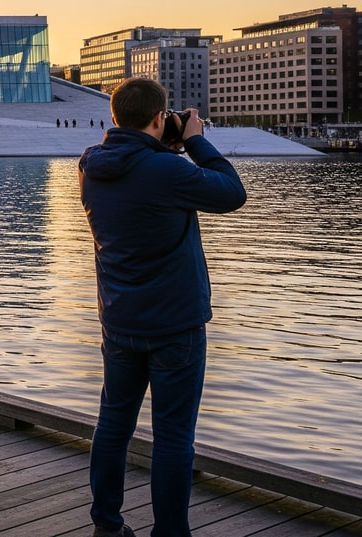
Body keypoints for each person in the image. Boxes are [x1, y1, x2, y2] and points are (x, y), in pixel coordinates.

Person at [79, 78, 247, 537]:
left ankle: (106, 526)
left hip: (119, 321)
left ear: (114, 118)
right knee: (173, 436)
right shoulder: (168, 172)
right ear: (158, 118)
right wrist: (193, 141)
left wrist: (164, 144)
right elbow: (233, 193)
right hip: (175, 326)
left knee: (113, 425)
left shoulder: (90, 167)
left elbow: (139, 172)